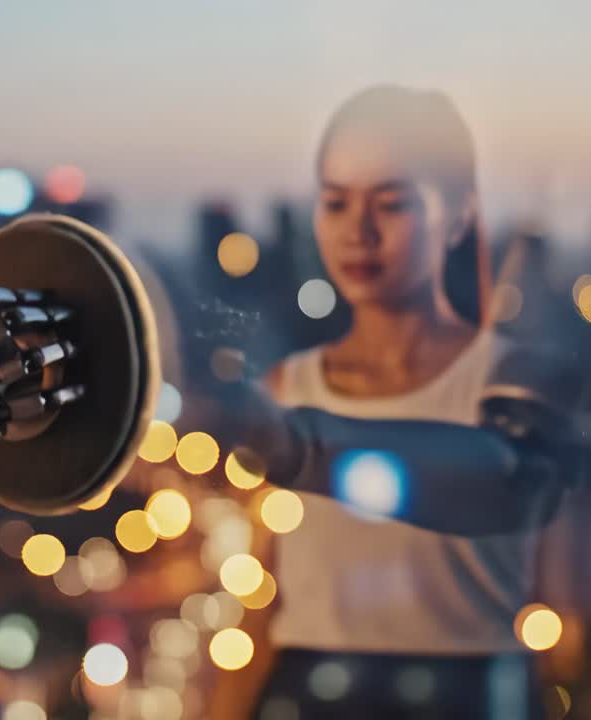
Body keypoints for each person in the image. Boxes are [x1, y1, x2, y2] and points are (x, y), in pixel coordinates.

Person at [210, 85, 547, 719]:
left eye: (391, 204)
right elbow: (261, 597)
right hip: (307, 695)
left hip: (468, 698)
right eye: (335, 202)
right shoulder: (287, 389)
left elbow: (576, 592)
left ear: (460, 215)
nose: (358, 232)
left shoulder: (511, 384)